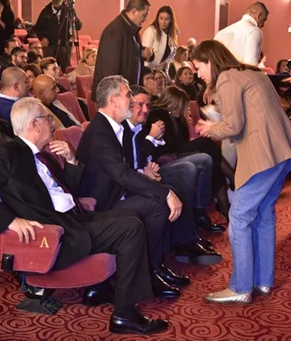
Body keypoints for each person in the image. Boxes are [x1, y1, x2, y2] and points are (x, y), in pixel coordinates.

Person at [0, 97, 168, 335]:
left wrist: (71, 160)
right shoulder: (8, 152)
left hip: (75, 219)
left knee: (130, 214)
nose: (53, 125)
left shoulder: (42, 154)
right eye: (48, 119)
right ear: (35, 124)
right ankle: (124, 315)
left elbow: (69, 192)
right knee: (130, 228)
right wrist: (9, 221)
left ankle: (105, 287)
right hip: (56, 235)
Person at [193, 40, 291, 304]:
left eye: (200, 67)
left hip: (264, 156)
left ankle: (240, 287)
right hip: (282, 152)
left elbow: (234, 126)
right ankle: (263, 281)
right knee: (263, 214)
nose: (199, 74)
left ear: (211, 61)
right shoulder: (251, 73)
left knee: (239, 216)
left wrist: (209, 128)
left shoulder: (226, 78)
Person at [76, 75, 186, 298]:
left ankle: (152, 267)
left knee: (156, 202)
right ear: (114, 100)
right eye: (128, 97)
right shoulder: (100, 132)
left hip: (115, 196)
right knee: (158, 204)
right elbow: (122, 173)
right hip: (100, 206)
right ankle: (147, 270)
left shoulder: (111, 127)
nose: (133, 102)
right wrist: (165, 192)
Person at [124, 85, 222, 265]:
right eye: (139, 104)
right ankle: (186, 239)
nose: (145, 109)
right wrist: (152, 138)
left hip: (152, 169)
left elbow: (155, 151)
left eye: (147, 104)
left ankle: (199, 216)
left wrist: (156, 140)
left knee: (203, 159)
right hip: (146, 174)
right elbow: (136, 161)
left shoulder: (141, 124)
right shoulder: (127, 126)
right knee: (188, 169)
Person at [146, 85, 230, 228]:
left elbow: (182, 141)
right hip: (165, 158)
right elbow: (162, 147)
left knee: (210, 157)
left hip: (178, 152)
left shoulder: (176, 117)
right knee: (207, 145)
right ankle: (226, 194)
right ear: (173, 103)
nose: (186, 110)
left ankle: (220, 206)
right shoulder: (157, 115)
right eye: (183, 106)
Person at [92, 0, 152, 101]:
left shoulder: (131, 29)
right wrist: (118, 97)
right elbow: (110, 70)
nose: (146, 19)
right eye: (144, 15)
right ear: (134, 12)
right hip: (114, 98)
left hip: (125, 94)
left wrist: (144, 52)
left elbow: (132, 53)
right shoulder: (115, 31)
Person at [34, 0, 82, 72]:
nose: (56, 5)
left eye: (58, 4)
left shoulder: (68, 11)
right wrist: (42, 38)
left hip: (64, 45)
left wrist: (73, 18)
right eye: (55, 3)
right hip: (50, 45)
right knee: (49, 68)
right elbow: (37, 28)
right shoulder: (46, 11)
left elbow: (78, 26)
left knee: (65, 68)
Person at [142, 5, 178, 71]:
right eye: (161, 18)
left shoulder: (173, 33)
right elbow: (146, 54)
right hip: (148, 70)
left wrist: (166, 62)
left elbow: (173, 53)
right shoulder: (151, 30)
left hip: (162, 71)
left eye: (167, 19)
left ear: (171, 20)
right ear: (157, 18)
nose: (163, 22)